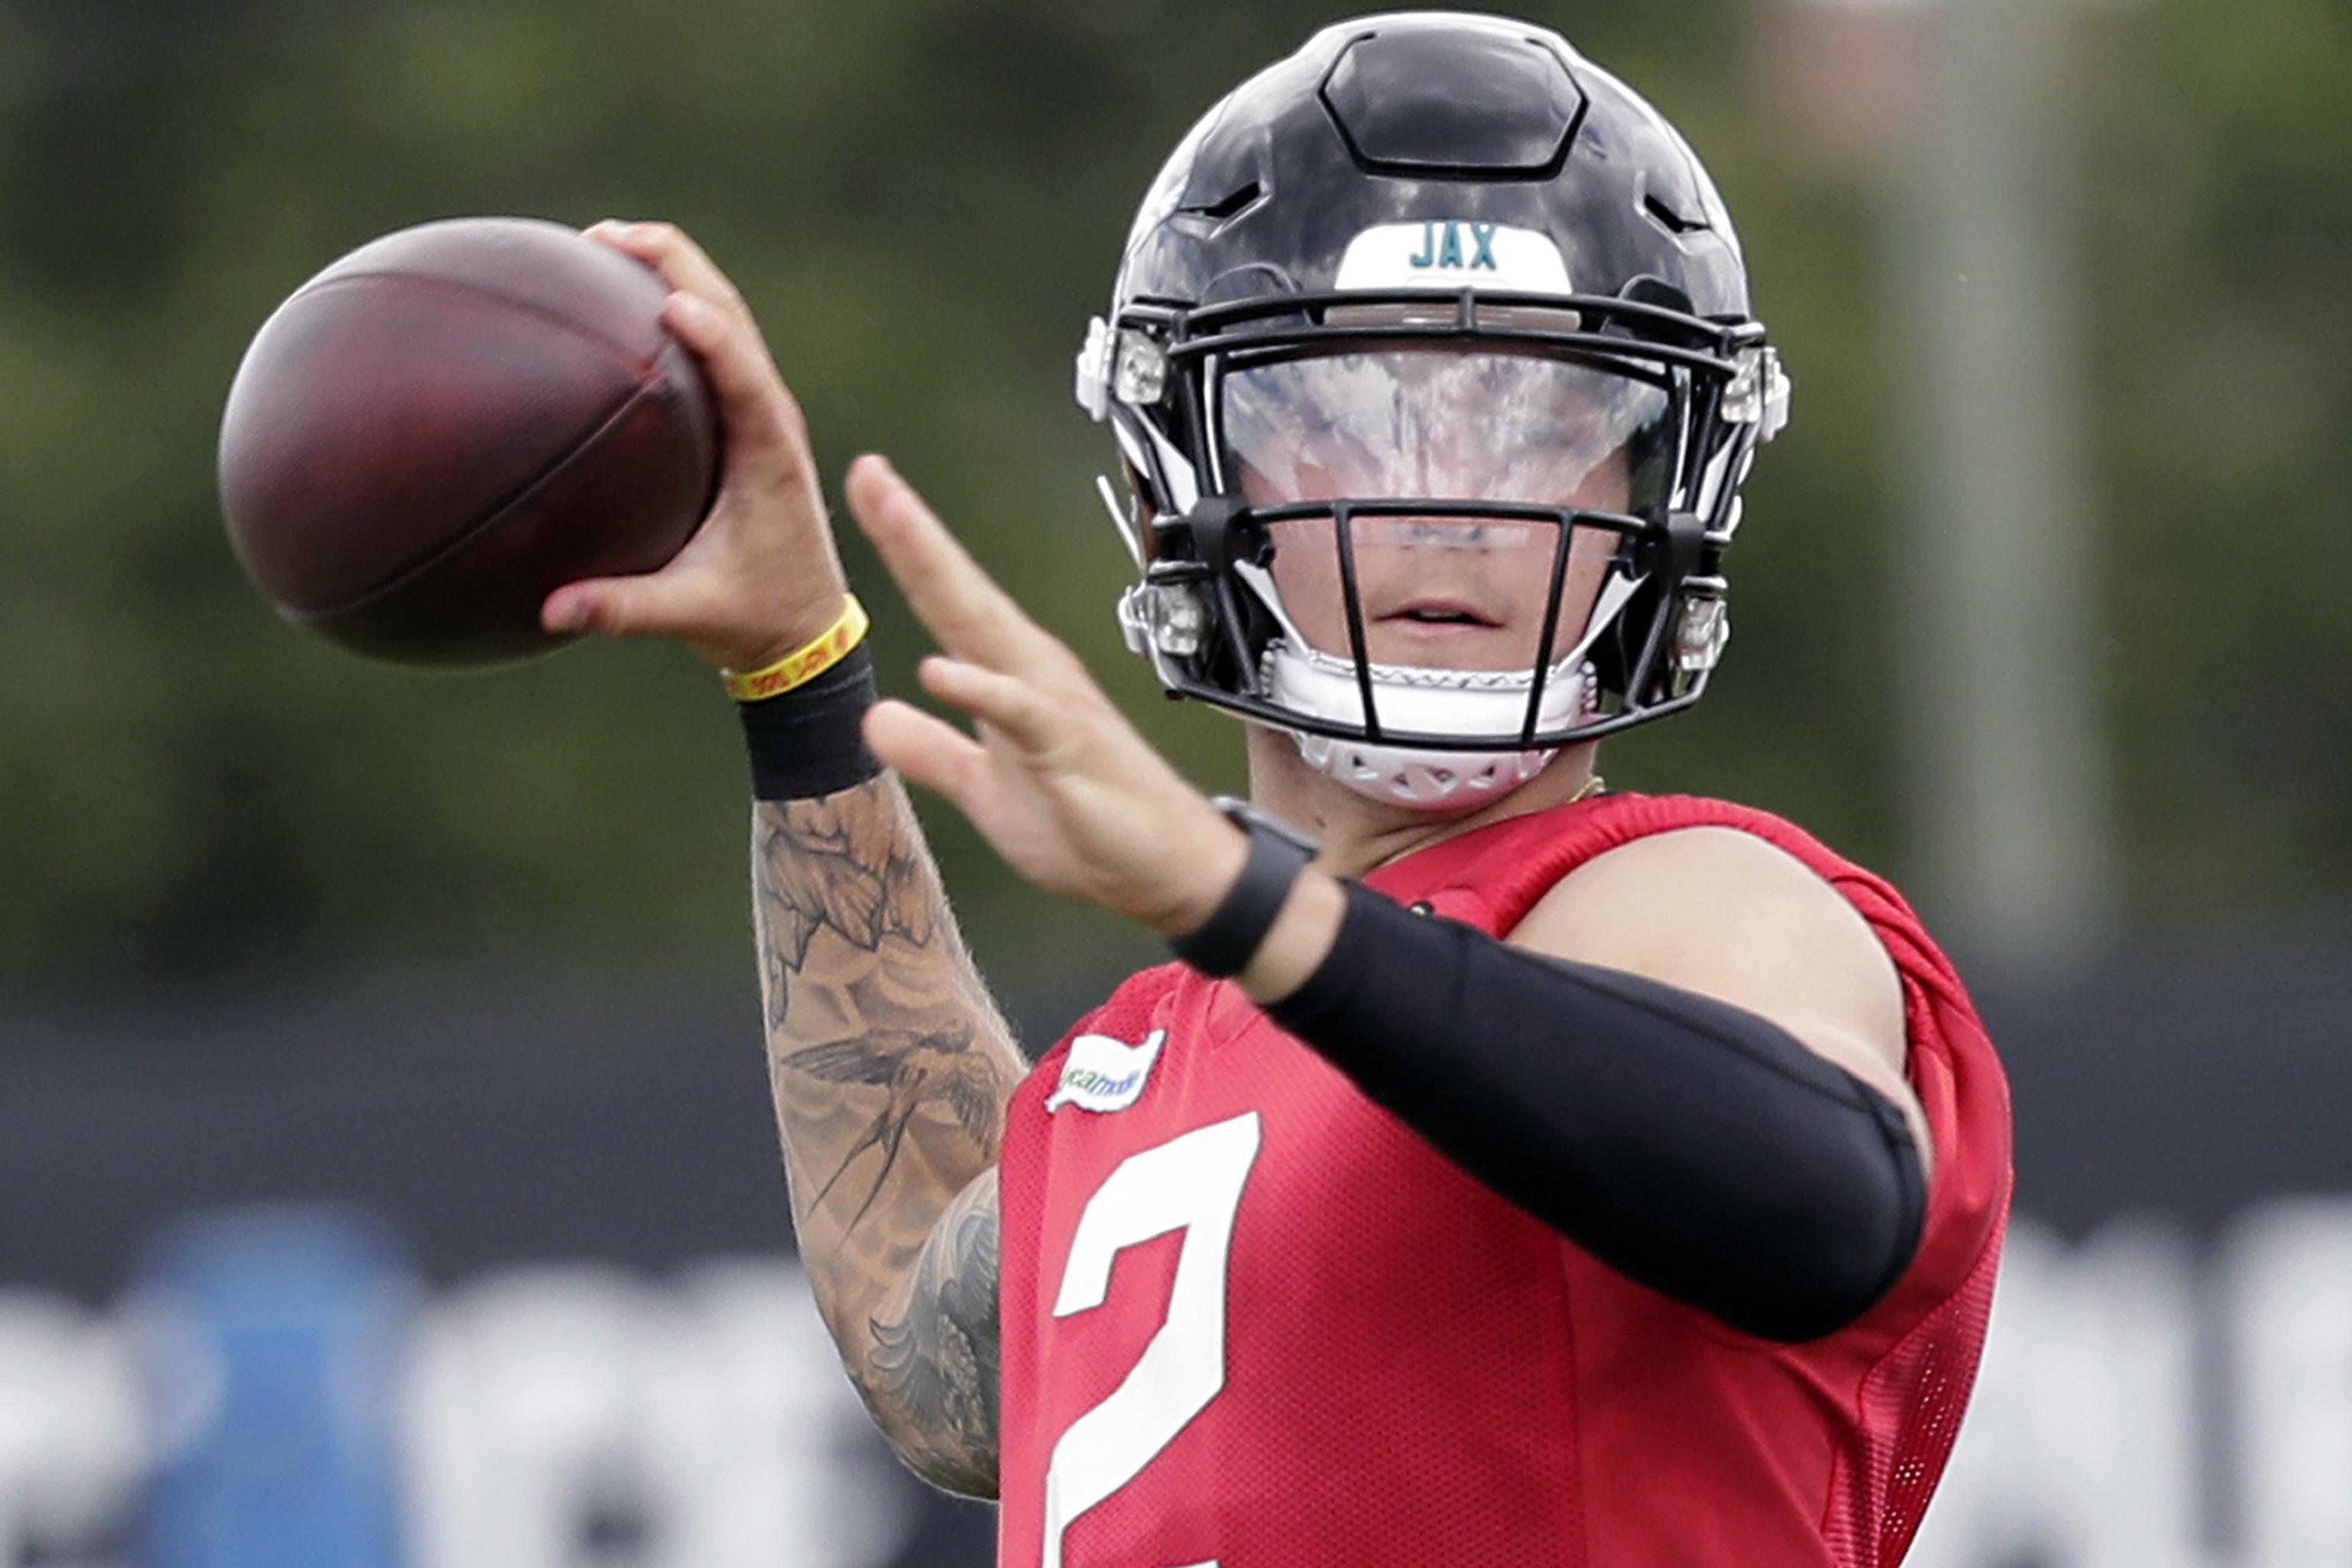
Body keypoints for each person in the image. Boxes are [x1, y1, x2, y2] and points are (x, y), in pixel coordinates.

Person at [546, 13, 2011, 1566]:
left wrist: (1240, 895)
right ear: (1188, 467)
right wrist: (797, 673)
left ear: (1661, 481)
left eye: (1548, 419)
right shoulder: (1165, 1049)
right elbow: (928, 1331)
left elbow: (1823, 1197)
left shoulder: (1680, 895)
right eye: (1356, 408)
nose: (1456, 497)